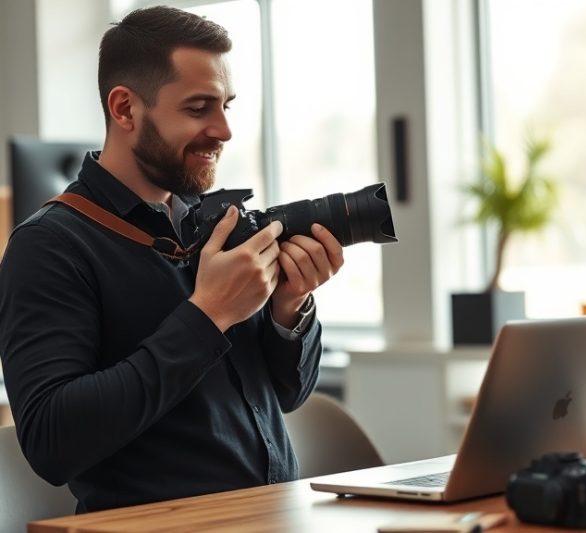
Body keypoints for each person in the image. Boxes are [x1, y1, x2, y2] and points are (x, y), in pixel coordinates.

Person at [0, 6, 344, 513]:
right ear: (124, 109)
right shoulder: (50, 246)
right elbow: (52, 441)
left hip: (271, 520)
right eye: (199, 107)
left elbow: (284, 397)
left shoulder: (215, 227)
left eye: (227, 105)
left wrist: (290, 310)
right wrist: (209, 316)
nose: (224, 130)